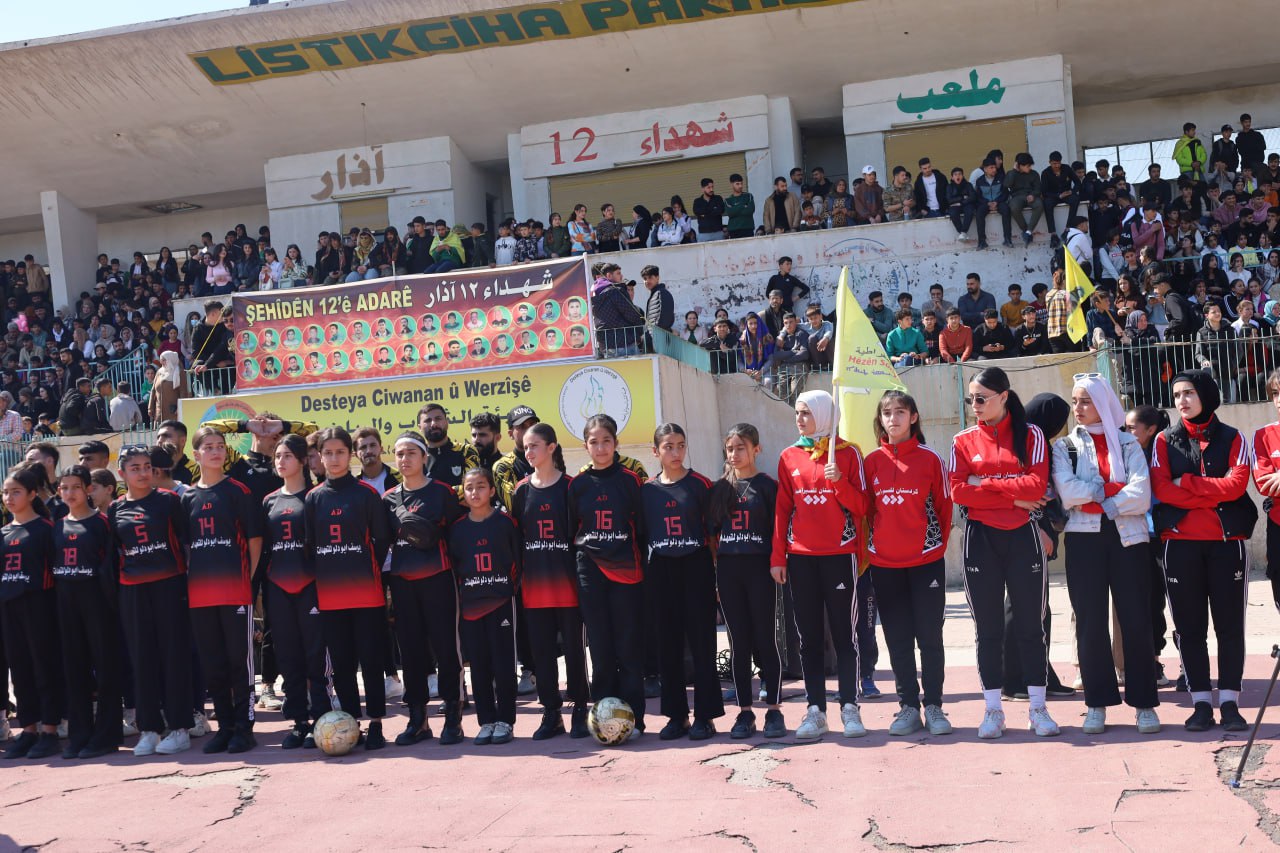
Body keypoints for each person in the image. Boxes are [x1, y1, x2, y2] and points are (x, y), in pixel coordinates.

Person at [949, 367, 1059, 739]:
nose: (975, 405)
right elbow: (958, 491)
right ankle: (993, 711)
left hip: (1023, 537)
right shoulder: (963, 440)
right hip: (980, 539)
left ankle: (1038, 708)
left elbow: (1037, 486)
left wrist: (985, 483)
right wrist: (1014, 496)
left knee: (1031, 625)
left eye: (981, 398)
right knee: (988, 629)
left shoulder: (1032, 435)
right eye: (971, 399)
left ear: (1004, 397)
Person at [1052, 375, 1161, 735]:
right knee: (1090, 622)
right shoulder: (1065, 447)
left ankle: (1144, 703)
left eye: (1085, 401)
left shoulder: (1128, 443)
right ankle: (1096, 703)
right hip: (1084, 541)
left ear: (1102, 403)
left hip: (1129, 539)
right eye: (1074, 401)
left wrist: (1100, 501)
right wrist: (1112, 492)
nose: (1078, 408)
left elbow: (1141, 495)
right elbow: (1068, 492)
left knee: (1136, 620)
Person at [1151, 370, 1255, 732]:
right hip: (1180, 546)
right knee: (1189, 628)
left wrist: (1189, 483)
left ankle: (1229, 702)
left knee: (1230, 627)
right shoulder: (1164, 440)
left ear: (1206, 395)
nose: (1181, 400)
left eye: (1189, 393)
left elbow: (1236, 486)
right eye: (1177, 394)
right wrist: (1211, 492)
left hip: (1227, 545)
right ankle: (1200, 703)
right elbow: (1162, 490)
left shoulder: (1234, 437)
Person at [771, 390, 870, 740]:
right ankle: (815, 710)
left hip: (840, 556)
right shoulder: (788, 456)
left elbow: (863, 507)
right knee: (808, 639)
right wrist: (778, 557)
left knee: (845, 636)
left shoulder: (849, 454)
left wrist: (839, 482)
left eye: (806, 413)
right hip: (800, 558)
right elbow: (782, 510)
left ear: (825, 414)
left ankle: (850, 708)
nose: (799, 419)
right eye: (797, 413)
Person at [863, 391, 953, 736]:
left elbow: (945, 508)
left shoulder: (930, 459)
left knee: (929, 636)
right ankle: (908, 708)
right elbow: (867, 510)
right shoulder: (871, 462)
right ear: (880, 419)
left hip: (926, 562)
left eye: (900, 412)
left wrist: (932, 548)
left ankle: (935, 706)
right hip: (885, 564)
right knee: (898, 638)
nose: (893, 419)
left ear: (913, 417)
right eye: (887, 413)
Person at [305, 427, 392, 749]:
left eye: (340, 452)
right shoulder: (313, 498)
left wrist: (363, 569)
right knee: (342, 664)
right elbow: (310, 546)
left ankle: (377, 723)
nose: (334, 458)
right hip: (330, 596)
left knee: (371, 660)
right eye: (327, 453)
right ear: (319, 456)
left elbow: (381, 541)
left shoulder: (366, 494)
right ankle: (351, 722)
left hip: (367, 593)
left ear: (350, 454)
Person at [109, 444, 194, 757]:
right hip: (132, 591)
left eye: (147, 466)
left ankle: (180, 728)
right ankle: (148, 729)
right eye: (135, 468)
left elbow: (187, 543)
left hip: (170, 586)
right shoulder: (115, 509)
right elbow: (115, 553)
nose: (143, 473)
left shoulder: (169, 501)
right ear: (122, 473)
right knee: (141, 659)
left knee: (174, 657)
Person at [508, 422, 591, 739]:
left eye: (534, 446)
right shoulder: (521, 490)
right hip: (534, 587)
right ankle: (551, 712)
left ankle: (580, 708)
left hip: (568, 585)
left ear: (552, 448)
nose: (528, 451)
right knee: (541, 653)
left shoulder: (570, 487)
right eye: (526, 447)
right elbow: (517, 537)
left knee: (574, 650)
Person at [182, 428, 263, 754]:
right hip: (201, 596)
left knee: (239, 663)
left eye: (220, 446)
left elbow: (255, 541)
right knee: (213, 664)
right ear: (196, 455)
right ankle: (225, 727)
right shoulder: (187, 498)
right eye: (208, 447)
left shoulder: (238, 491)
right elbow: (187, 547)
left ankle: (244, 727)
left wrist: (246, 581)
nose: (216, 451)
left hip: (235, 593)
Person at [384, 431, 467, 746]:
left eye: (411, 453)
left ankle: (453, 717)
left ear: (423, 457)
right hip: (403, 583)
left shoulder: (442, 492)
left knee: (446, 650)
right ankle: (418, 720)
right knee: (411, 653)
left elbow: (458, 537)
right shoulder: (388, 499)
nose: (404, 459)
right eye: (399, 454)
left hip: (438, 580)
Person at [640, 424, 722, 740]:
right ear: (655, 451)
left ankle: (705, 716)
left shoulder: (701, 484)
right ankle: (676, 716)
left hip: (696, 565)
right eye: (668, 447)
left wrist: (715, 577)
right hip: (661, 568)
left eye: (681, 445)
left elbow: (712, 535)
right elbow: (643, 534)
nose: (676, 453)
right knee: (667, 645)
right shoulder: (647, 490)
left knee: (702, 643)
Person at [704, 423, 785, 739]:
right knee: (738, 642)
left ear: (756, 449)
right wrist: (717, 571)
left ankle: (774, 710)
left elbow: (778, 529)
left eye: (741, 448)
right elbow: (712, 536)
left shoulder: (767, 486)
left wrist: (778, 563)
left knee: (765, 638)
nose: (735, 454)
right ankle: (744, 712)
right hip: (729, 572)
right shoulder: (719, 489)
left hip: (760, 571)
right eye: (730, 449)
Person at [569, 414, 647, 737]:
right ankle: (604, 718)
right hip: (590, 572)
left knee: (628, 647)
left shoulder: (631, 480)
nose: (600, 448)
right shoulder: (577, 484)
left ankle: (635, 719)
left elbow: (641, 529)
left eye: (606, 441)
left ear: (616, 443)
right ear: (585, 446)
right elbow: (572, 531)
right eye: (594, 442)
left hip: (626, 573)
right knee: (600, 649)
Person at [259, 435, 330, 750]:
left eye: (287, 455)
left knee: (315, 656)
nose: (281, 461)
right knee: (288, 656)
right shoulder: (269, 501)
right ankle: (299, 722)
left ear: (302, 460)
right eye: (277, 456)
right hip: (278, 588)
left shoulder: (316, 497)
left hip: (310, 586)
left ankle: (321, 718)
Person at [52, 465, 121, 759]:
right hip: (67, 607)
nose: (70, 493)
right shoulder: (57, 526)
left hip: (99, 607)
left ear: (88, 489)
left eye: (76, 487)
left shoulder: (102, 524)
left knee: (106, 671)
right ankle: (79, 735)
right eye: (64, 488)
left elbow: (112, 568)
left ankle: (107, 736)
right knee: (74, 670)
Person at [0, 464, 60, 759]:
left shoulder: (45, 529)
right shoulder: (3, 532)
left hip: (39, 606)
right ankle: (29, 729)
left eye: (16, 492)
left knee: (43, 667)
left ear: (32, 494)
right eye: (5, 493)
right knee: (20, 669)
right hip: (9, 607)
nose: (9, 498)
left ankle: (50, 730)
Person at [974, 157, 1013, 249]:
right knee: (979, 213)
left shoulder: (1001, 178)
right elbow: (978, 197)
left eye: (995, 167)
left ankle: (1007, 239)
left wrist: (997, 202)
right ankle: (982, 241)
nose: (994, 170)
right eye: (991, 168)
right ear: (985, 169)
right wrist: (987, 203)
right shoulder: (979, 181)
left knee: (1006, 210)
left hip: (999, 201)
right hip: (985, 203)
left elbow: (1005, 193)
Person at [946, 167, 977, 241]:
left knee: (970, 211)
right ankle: (962, 233)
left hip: (966, 204)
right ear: (952, 177)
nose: (958, 176)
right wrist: (963, 197)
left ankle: (963, 232)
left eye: (960, 174)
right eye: (955, 174)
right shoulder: (949, 187)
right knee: (953, 213)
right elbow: (949, 200)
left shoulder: (968, 185)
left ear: (963, 176)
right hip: (955, 206)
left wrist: (961, 203)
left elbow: (973, 197)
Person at [725, 173, 756, 239]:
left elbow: (750, 210)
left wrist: (735, 208)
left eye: (741, 183)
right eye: (737, 184)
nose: (740, 186)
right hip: (733, 230)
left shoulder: (749, 196)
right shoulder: (728, 200)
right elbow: (730, 213)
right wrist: (743, 205)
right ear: (732, 184)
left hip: (748, 229)